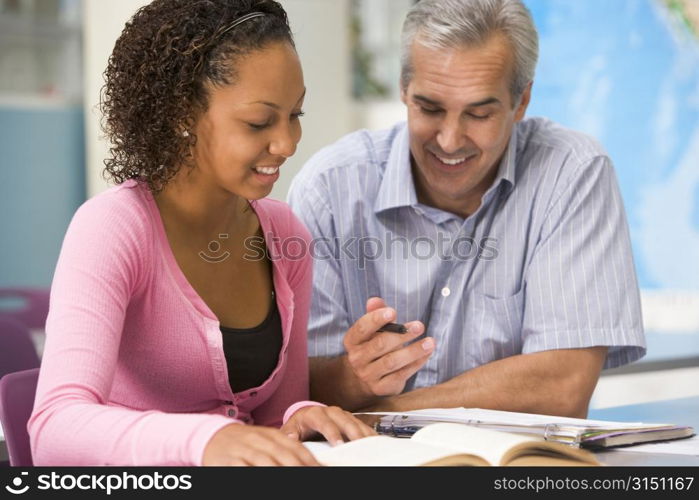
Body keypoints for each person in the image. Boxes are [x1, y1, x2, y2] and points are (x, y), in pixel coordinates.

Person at [29, 0, 374, 466]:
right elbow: (55, 428)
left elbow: (274, 416)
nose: (288, 143)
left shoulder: (284, 235)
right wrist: (206, 441)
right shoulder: (113, 228)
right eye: (259, 122)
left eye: (296, 115)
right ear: (181, 114)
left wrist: (301, 415)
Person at [287, 0, 646, 418]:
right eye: (430, 108)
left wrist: (388, 413)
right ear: (403, 88)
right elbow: (296, 385)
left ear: (522, 101)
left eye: (478, 113)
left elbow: (563, 386)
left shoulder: (571, 173)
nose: (450, 140)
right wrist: (355, 376)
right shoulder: (329, 189)